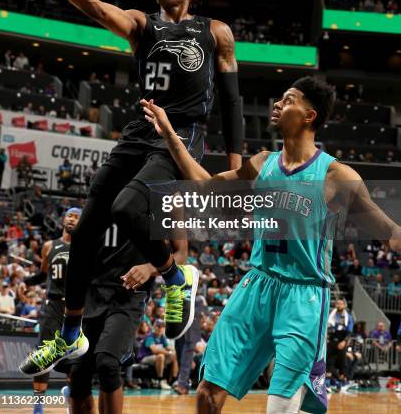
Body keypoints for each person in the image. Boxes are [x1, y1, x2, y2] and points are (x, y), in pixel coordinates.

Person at [9, 0, 242, 375]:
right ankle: (71, 335)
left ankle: (177, 277)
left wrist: (235, 172)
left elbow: (232, 102)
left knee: (127, 207)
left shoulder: (216, 32)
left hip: (180, 136)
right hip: (139, 130)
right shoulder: (142, 23)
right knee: (89, 224)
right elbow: (93, 6)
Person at [140, 76, 401, 414]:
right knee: (206, 392)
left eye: (288, 99)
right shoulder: (263, 162)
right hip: (257, 284)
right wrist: (170, 135)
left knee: (279, 408)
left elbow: (389, 232)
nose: (277, 105)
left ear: (309, 115)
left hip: (304, 295)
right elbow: (205, 186)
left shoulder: (338, 177)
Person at [68, 225, 186, 412]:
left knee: (107, 363)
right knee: (78, 374)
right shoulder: (99, 199)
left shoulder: (163, 200)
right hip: (93, 293)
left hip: (129, 296)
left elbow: (181, 255)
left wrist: (149, 268)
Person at [18, 208, 81, 414]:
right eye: (69, 215)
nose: (72, 219)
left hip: (77, 307)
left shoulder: (86, 248)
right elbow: (42, 275)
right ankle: (38, 407)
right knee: (43, 355)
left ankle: (71, 396)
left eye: (77, 216)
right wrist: (26, 282)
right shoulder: (49, 246)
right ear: (63, 219)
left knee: (75, 358)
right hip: (53, 305)